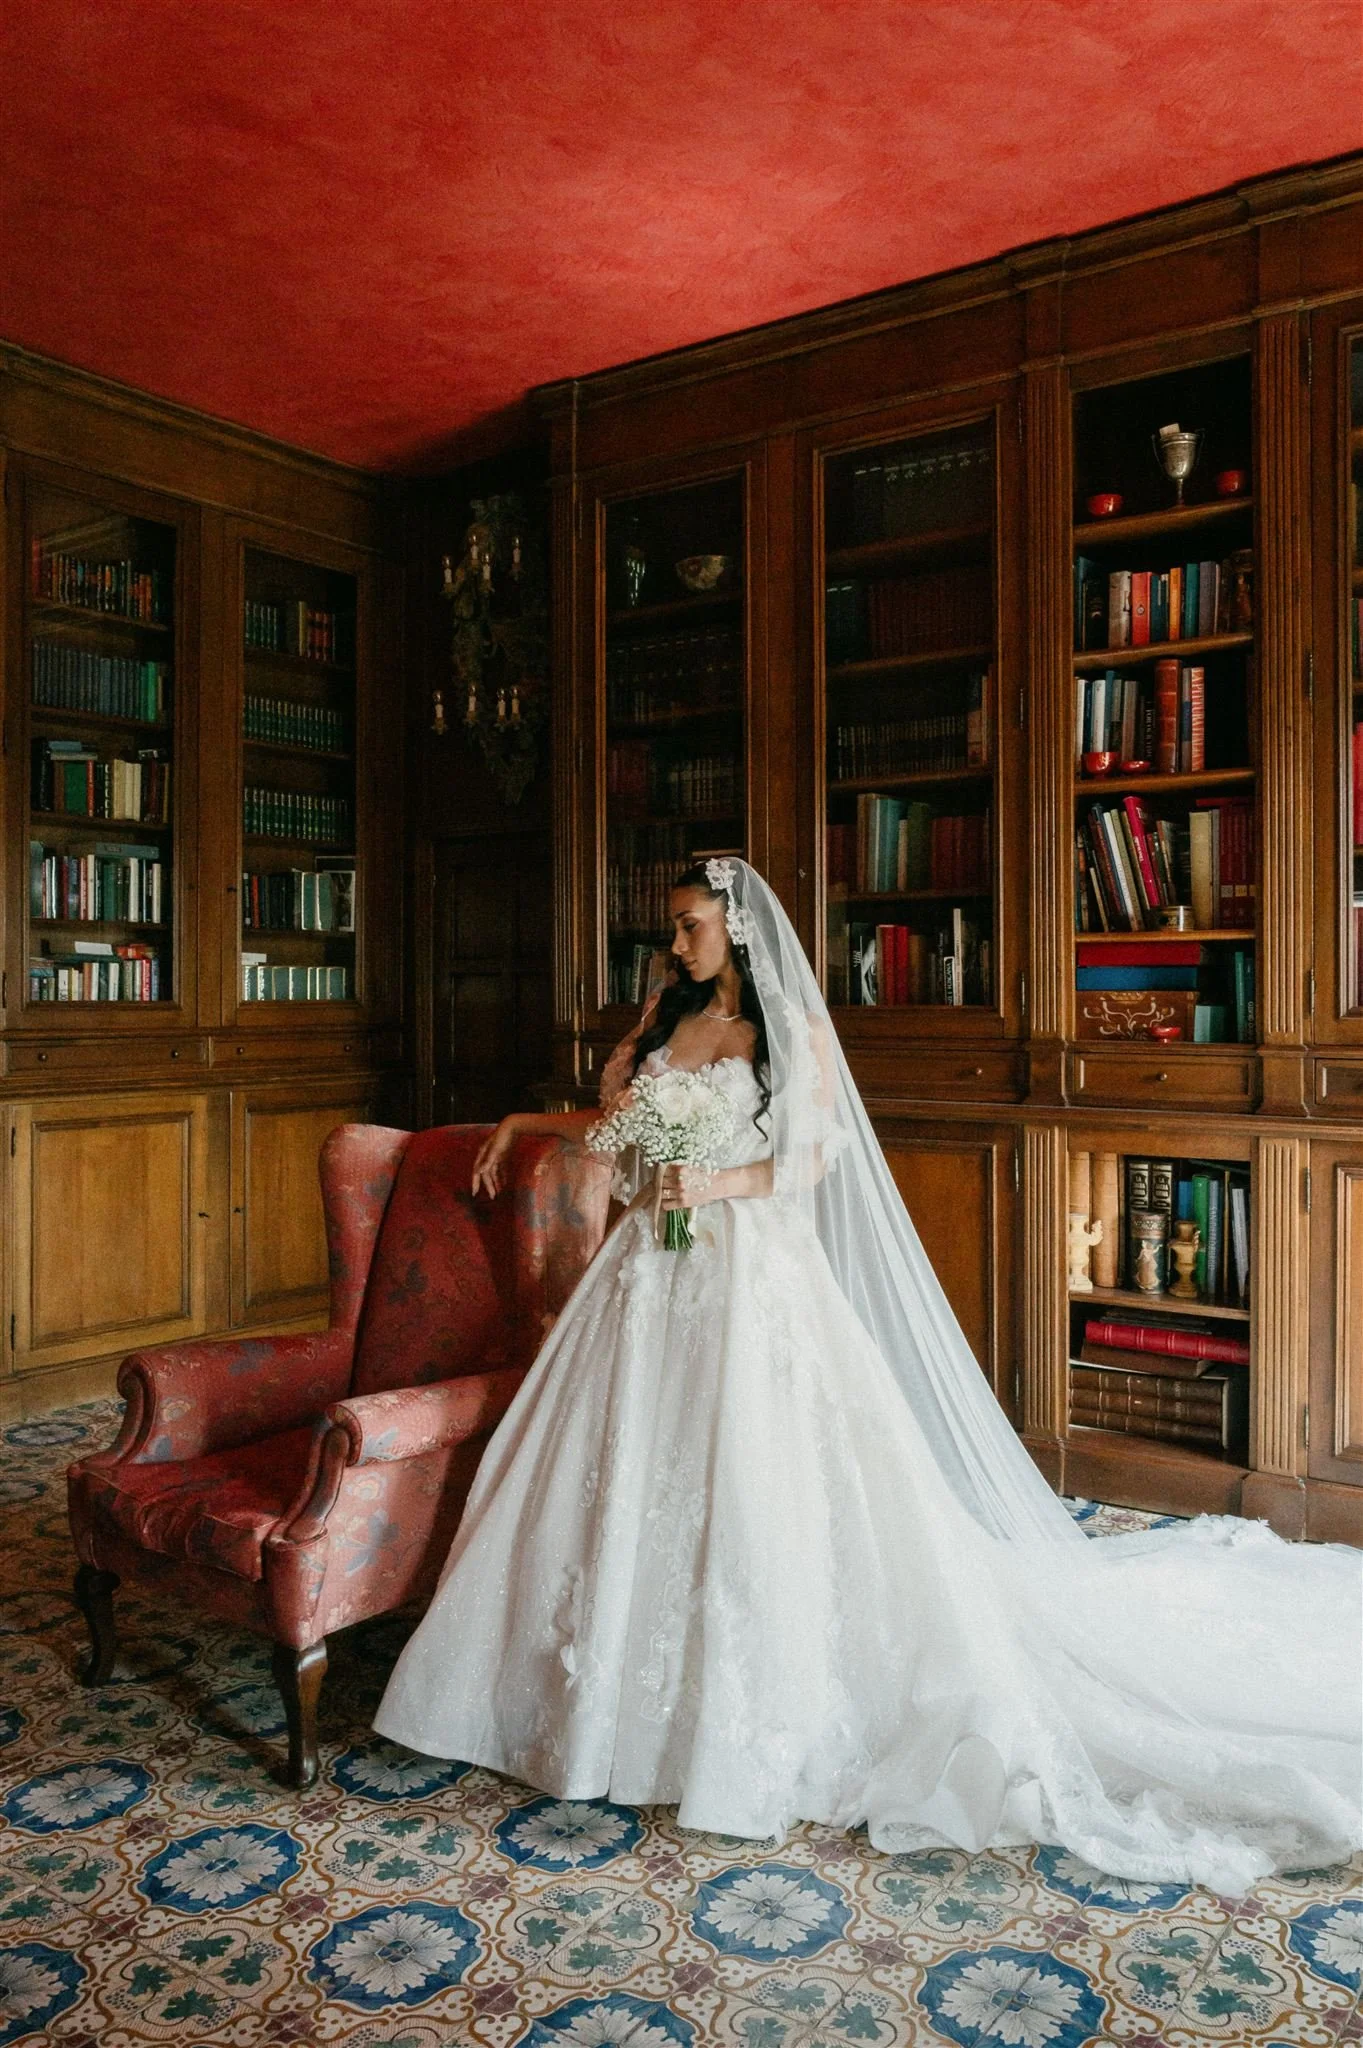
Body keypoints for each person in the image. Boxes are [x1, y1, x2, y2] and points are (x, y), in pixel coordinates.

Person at [375, 858, 1362, 1892]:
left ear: (737, 931)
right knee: (623, 1469)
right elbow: (620, 1134)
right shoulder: (658, 1026)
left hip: (747, 1269)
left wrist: (716, 1179)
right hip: (647, 1278)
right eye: (670, 929)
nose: (672, 945)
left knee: (760, 1471)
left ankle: (746, 1708)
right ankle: (600, 1704)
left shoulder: (783, 1033)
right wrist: (523, 1124)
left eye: (687, 926)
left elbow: (809, 1155)